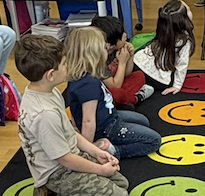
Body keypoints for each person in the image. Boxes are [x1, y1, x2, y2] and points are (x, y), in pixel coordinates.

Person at [14, 33, 129, 196]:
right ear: (51, 75)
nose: (69, 66)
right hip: (58, 173)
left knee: (121, 183)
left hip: (69, 157)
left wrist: (96, 151)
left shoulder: (49, 92)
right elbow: (64, 159)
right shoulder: (44, 114)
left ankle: (63, 191)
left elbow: (70, 132)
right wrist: (99, 169)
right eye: (65, 64)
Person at [64, 27, 161, 158]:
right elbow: (88, 121)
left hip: (109, 116)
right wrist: (88, 149)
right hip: (106, 129)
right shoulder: (88, 84)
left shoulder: (80, 76)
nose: (108, 48)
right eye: (105, 46)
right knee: (154, 140)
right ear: (94, 53)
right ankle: (114, 151)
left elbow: (75, 109)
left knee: (143, 121)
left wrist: (76, 129)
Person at [132, 0, 195, 96]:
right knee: (169, 79)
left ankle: (140, 87)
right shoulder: (184, 40)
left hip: (137, 64)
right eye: (189, 10)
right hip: (158, 78)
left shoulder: (164, 29)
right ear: (183, 20)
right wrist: (177, 85)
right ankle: (144, 90)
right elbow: (182, 64)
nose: (191, 11)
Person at [90, 14, 153, 109]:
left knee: (138, 75)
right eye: (122, 35)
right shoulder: (97, 60)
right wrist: (122, 62)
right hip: (104, 93)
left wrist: (130, 56)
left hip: (117, 82)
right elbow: (115, 86)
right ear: (110, 45)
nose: (125, 35)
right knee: (116, 94)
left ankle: (124, 100)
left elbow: (127, 74)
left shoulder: (116, 49)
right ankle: (136, 98)